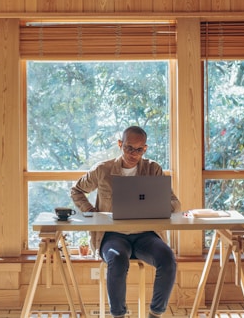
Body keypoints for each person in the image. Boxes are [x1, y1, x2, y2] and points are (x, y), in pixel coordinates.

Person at [70, 126, 181, 318]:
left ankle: (155, 313)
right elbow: (76, 190)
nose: (134, 154)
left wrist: (158, 208)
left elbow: (175, 203)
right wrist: (91, 212)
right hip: (112, 236)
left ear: (145, 149)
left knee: (168, 259)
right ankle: (118, 315)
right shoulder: (102, 169)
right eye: (129, 148)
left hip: (146, 235)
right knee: (117, 259)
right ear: (120, 144)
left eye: (139, 149)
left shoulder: (153, 169)